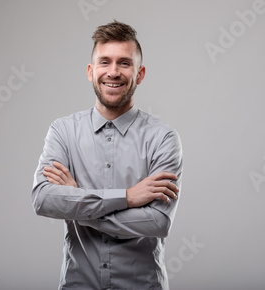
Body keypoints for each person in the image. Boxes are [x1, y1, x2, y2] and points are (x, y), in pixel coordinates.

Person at [31, 20, 183, 290]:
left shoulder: (163, 138)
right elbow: (43, 199)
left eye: (124, 63)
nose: (113, 72)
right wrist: (127, 197)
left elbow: (157, 222)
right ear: (91, 71)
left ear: (140, 74)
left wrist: (77, 202)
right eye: (105, 62)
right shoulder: (63, 131)